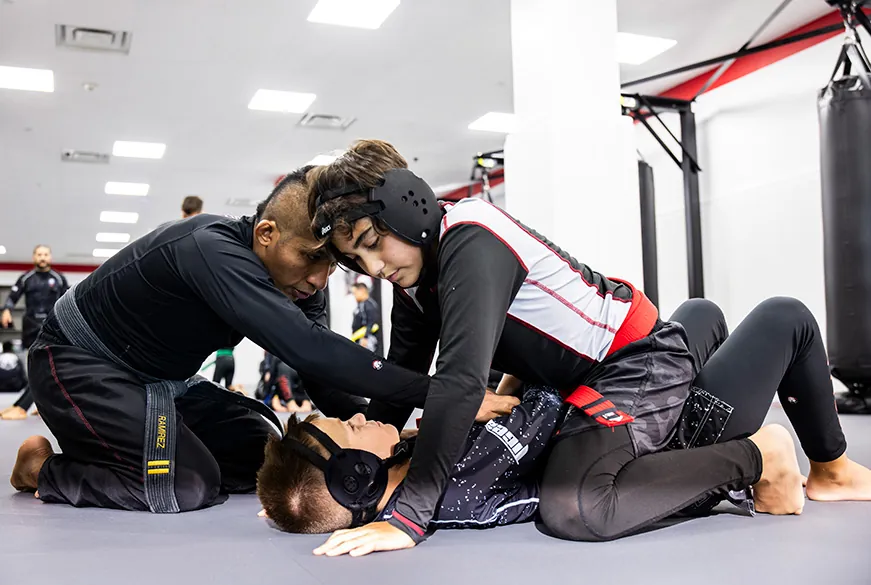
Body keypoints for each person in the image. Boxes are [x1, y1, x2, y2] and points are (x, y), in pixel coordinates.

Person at [305, 139, 871, 555]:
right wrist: (334, 476)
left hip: (632, 368)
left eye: (374, 243)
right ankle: (786, 444)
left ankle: (788, 460)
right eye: (357, 261)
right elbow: (403, 377)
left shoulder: (470, 241)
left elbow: (457, 381)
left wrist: (407, 519)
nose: (375, 267)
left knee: (576, 504)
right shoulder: (419, 278)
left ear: (409, 205)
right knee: (700, 315)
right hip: (608, 369)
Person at [8, 165, 515, 513]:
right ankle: (45, 470)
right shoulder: (209, 247)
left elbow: (324, 374)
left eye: (331, 264)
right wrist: (447, 393)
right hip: (78, 365)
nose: (319, 280)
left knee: (265, 447)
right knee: (189, 485)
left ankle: (131, 447)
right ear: (267, 234)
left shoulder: (300, 282)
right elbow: (310, 350)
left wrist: (375, 436)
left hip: (159, 381)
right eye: (309, 259)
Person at [1, 245, 68, 420]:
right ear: (34, 257)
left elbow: (68, 301)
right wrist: (7, 309)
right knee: (35, 369)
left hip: (51, 327)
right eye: (39, 254)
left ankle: (21, 407)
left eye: (45, 254)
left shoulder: (59, 279)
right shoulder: (26, 278)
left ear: (50, 257)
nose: (42, 257)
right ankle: (42, 404)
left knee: (42, 367)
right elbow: (12, 297)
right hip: (30, 327)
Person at [350, 282, 380, 352]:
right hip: (358, 337)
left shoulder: (369, 305)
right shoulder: (361, 305)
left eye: (355, 293)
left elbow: (371, 322)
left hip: (366, 339)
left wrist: (365, 337)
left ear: (362, 290)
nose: (354, 296)